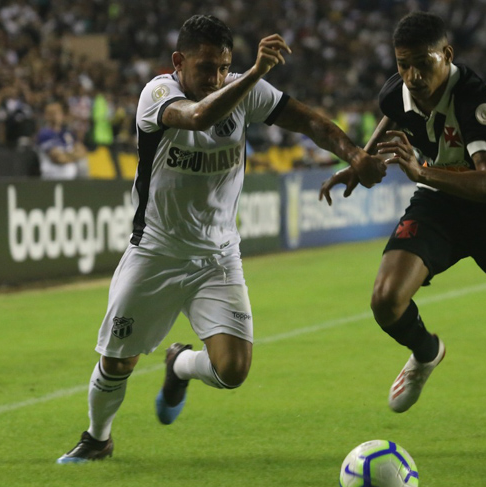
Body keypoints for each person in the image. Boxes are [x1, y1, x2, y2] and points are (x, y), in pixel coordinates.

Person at [57, 15, 386, 463]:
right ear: (179, 61)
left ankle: (178, 364)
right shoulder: (157, 95)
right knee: (118, 362)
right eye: (205, 67)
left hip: (217, 257)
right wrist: (253, 74)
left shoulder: (244, 89)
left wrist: (356, 155)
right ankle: (98, 438)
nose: (214, 78)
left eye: (222, 68)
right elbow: (197, 117)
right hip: (156, 251)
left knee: (233, 370)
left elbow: (312, 123)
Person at [320, 12, 486, 459]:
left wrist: (421, 170)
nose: (412, 76)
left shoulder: (475, 100)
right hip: (442, 204)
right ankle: (427, 353)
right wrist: (361, 160)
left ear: (446, 55)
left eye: (422, 64)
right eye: (403, 64)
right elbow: (392, 114)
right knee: (386, 299)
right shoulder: (399, 90)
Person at [36, 101, 88, 180]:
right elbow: (58, 158)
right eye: (53, 113)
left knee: (83, 163)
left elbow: (83, 152)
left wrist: (66, 155)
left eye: (58, 112)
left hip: (72, 179)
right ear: (47, 116)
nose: (56, 116)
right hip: (53, 178)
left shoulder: (68, 133)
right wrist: (73, 155)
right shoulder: (44, 134)